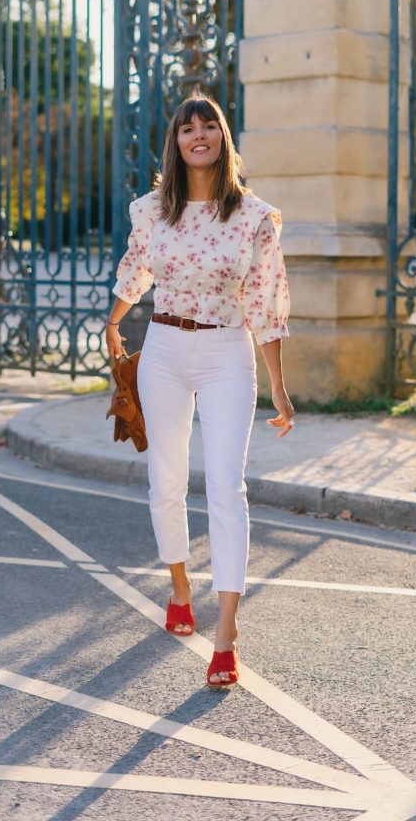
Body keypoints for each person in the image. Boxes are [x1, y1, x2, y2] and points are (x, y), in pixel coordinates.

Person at [105, 93, 294, 689]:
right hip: (162, 350)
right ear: (177, 142)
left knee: (225, 487)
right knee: (165, 478)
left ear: (223, 135)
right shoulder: (151, 212)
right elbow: (136, 267)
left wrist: (280, 391)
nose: (198, 134)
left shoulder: (254, 217)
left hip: (226, 354)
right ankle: (181, 588)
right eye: (187, 127)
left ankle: (226, 631)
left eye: (208, 123)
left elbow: (268, 304)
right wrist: (113, 320)